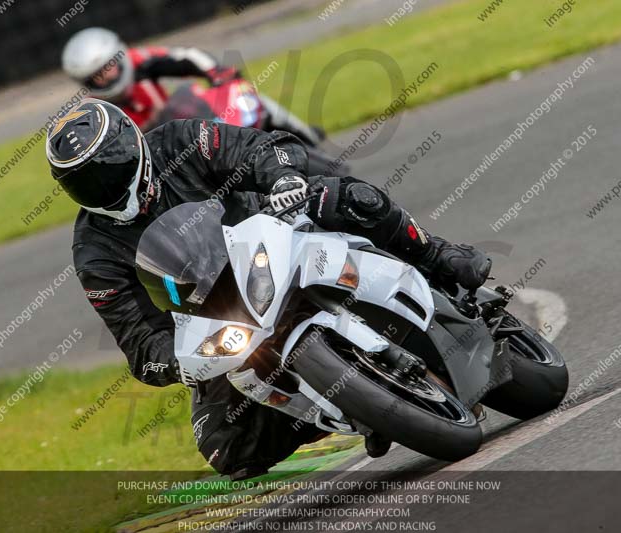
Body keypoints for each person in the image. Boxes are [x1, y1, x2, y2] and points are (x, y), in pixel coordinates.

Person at [45, 98, 490, 479]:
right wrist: (177, 364)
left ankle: (438, 255)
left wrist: (282, 179)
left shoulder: (180, 141)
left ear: (133, 142)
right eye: (87, 180)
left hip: (272, 237)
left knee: (349, 198)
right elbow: (137, 340)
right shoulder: (93, 253)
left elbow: (258, 147)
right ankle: (352, 411)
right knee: (226, 449)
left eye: (110, 167)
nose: (105, 185)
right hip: (219, 315)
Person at [61, 27, 323, 143]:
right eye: (98, 75)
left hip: (183, 123)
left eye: (109, 66)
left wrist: (217, 72)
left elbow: (185, 56)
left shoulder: (139, 60)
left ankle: (304, 135)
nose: (107, 76)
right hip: (155, 149)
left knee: (248, 98)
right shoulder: (96, 111)